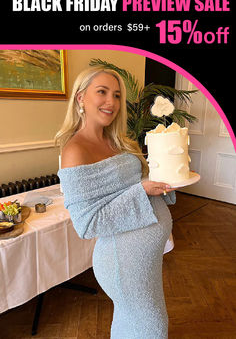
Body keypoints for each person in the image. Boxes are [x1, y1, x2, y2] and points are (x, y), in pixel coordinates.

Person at [55, 67, 176, 339]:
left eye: (117, 95)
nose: (111, 102)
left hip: (145, 259)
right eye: (102, 92)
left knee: (129, 324)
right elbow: (87, 224)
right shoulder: (75, 150)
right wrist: (141, 191)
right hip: (123, 262)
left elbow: (130, 186)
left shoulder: (117, 141)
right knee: (153, 328)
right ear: (80, 98)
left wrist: (164, 179)